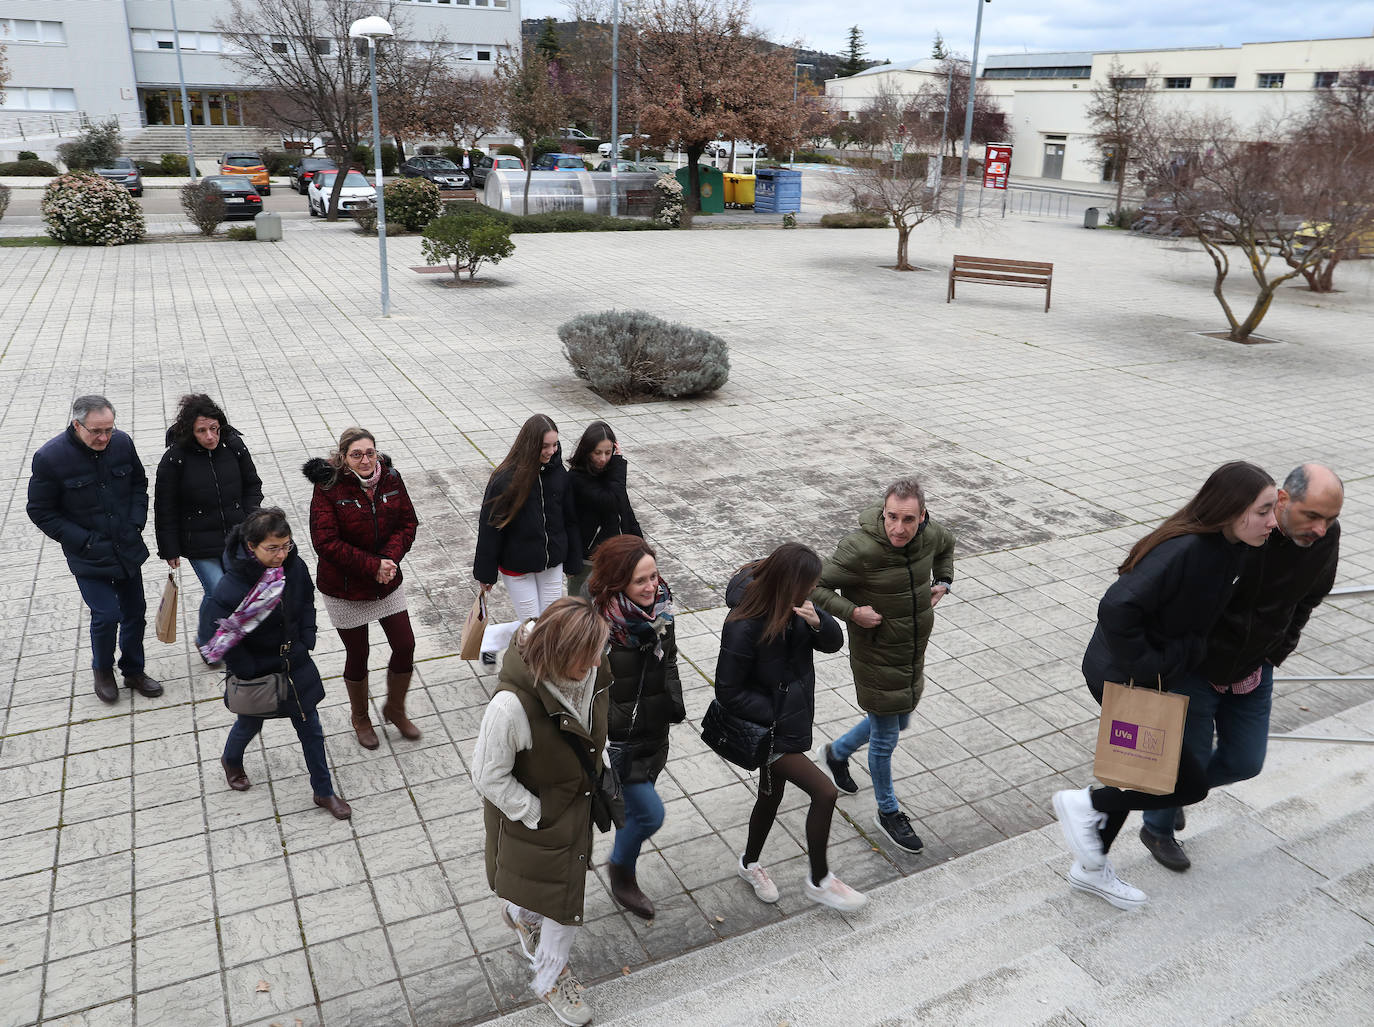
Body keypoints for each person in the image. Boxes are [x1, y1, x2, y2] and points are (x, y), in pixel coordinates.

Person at [1053, 461, 1278, 909]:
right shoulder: (1190, 549)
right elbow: (1117, 606)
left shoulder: (1230, 546)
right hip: (1127, 679)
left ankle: (1090, 867)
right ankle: (1086, 805)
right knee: (1181, 784)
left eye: (1274, 509)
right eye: (1263, 511)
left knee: (1143, 773)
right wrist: (1150, 664)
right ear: (1231, 510)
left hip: (1146, 676)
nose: (1272, 521)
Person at [1139, 463, 1343, 871]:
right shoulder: (1237, 530)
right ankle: (1157, 828)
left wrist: (1276, 651)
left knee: (1245, 761)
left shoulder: (1323, 539)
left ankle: (1177, 795)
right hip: (1197, 669)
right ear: (1283, 500)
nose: (1321, 529)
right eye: (1313, 516)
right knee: (1187, 760)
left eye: (1331, 519)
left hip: (1255, 666)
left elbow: (1310, 597)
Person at [471, 597, 610, 1027]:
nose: (592, 665)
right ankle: (551, 979)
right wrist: (536, 813)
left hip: (576, 806)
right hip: (538, 818)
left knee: (553, 892)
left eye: (596, 653)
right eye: (583, 656)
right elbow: (486, 775)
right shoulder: (510, 707)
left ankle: (520, 916)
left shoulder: (594, 668)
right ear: (556, 652)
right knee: (563, 903)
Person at [715, 542, 866, 913]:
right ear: (787, 582)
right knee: (825, 793)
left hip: (792, 719)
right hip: (768, 729)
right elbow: (727, 691)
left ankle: (749, 865)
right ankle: (821, 881)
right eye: (807, 586)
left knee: (770, 795)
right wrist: (775, 711)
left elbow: (833, 643)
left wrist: (820, 621)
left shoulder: (798, 606)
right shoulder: (743, 624)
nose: (809, 593)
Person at [813, 477, 955, 855]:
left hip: (910, 651)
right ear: (883, 511)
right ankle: (888, 811)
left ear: (921, 516)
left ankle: (836, 752)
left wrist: (944, 580)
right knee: (886, 736)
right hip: (875, 656)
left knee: (900, 718)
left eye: (909, 519)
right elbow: (815, 586)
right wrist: (853, 612)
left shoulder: (929, 535)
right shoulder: (860, 548)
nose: (899, 528)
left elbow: (947, 544)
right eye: (892, 517)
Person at [201, 507, 351, 819]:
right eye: (273, 548)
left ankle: (323, 791)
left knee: (311, 728)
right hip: (256, 669)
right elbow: (213, 635)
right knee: (249, 723)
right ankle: (231, 759)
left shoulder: (293, 567)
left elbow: (307, 599)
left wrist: (307, 635)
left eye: (286, 546)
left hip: (295, 661)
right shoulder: (230, 587)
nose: (281, 554)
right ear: (251, 546)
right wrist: (248, 668)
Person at [27, 394, 162, 704]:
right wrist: (83, 541)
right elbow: (40, 510)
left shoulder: (123, 444)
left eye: (109, 430)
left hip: (126, 545)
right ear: (77, 425)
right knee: (106, 614)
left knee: (135, 613)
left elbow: (139, 485)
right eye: (97, 431)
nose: (104, 437)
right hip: (88, 554)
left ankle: (134, 670)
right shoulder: (50, 458)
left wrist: (136, 522)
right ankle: (103, 670)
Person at [304, 428, 421, 750]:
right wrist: (373, 566)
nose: (366, 460)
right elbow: (324, 542)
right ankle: (361, 718)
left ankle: (395, 709)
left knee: (405, 644)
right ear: (343, 458)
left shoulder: (391, 479)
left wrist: (388, 560)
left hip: (386, 579)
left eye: (370, 452)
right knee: (359, 653)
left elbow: (408, 523)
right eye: (357, 454)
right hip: (344, 587)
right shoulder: (328, 487)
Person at [587, 534, 684, 920]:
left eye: (654, 576)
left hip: (653, 730)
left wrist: (672, 702)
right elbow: (583, 692)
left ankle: (623, 867)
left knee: (634, 813)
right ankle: (621, 872)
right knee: (649, 814)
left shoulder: (661, 613)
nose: (652, 586)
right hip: (618, 742)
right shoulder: (597, 628)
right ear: (617, 583)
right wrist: (604, 736)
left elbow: (670, 660)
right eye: (641, 581)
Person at [154, 393, 263, 653]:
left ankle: (235, 638)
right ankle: (206, 640)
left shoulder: (233, 446)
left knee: (238, 592)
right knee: (218, 590)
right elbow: (164, 508)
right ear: (190, 431)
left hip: (236, 535)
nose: (210, 436)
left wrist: (249, 518)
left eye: (214, 429)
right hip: (198, 542)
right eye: (201, 431)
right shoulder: (175, 460)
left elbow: (253, 485)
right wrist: (169, 549)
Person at [473, 414, 582, 665]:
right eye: (545, 446)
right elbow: (490, 528)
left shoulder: (559, 474)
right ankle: (531, 672)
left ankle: (496, 638)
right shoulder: (505, 479)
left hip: (551, 563)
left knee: (550, 623)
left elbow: (570, 519)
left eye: (554, 445)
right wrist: (485, 574)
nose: (551, 451)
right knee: (532, 626)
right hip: (517, 568)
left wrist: (572, 561)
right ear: (530, 444)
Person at [567, 420, 642, 598]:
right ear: (586, 452)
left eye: (608, 453)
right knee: (584, 612)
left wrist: (640, 545)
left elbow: (625, 510)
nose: (603, 458)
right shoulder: (577, 477)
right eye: (597, 453)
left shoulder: (612, 476)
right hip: (590, 560)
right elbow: (610, 501)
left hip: (619, 555)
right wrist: (618, 466)